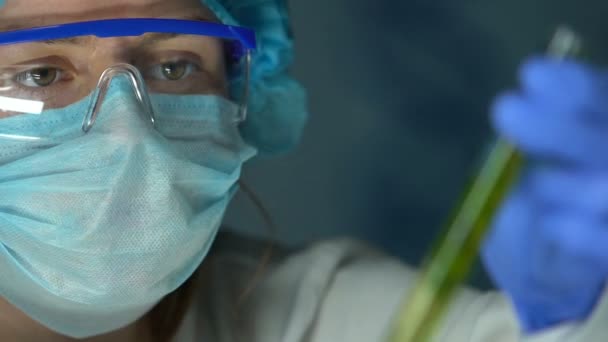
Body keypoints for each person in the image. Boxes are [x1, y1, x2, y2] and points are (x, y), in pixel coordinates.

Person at [0, 0, 606, 341]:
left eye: (175, 67)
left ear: (239, 92)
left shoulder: (313, 315)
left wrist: (575, 317)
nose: (127, 136)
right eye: (41, 74)